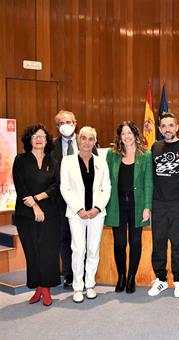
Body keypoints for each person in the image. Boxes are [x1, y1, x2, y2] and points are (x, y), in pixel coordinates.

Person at [60, 127, 111, 303]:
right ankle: (77, 286)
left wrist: (97, 208)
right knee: (78, 249)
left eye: (91, 139)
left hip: (97, 213)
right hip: (77, 214)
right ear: (78, 140)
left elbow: (107, 187)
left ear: (95, 142)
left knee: (93, 249)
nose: (87, 142)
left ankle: (90, 285)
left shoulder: (101, 162)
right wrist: (78, 209)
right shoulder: (67, 162)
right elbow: (64, 188)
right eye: (83, 138)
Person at [147, 113, 179, 297]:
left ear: (177, 127)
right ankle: (160, 280)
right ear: (159, 129)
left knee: (177, 243)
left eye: (170, 125)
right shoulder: (155, 147)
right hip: (159, 203)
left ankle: (178, 281)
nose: (167, 129)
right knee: (158, 242)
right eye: (164, 126)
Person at [13, 124, 60, 306]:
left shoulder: (53, 162)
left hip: (50, 213)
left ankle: (46, 289)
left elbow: (56, 186)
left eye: (42, 136)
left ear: (47, 140)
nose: (39, 139)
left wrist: (39, 198)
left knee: (48, 251)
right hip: (26, 213)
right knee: (32, 251)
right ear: (29, 140)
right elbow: (20, 186)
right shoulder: (20, 160)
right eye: (35, 136)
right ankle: (37, 287)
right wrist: (34, 205)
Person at [51, 110, 97, 289]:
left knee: (85, 239)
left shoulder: (86, 139)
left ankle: (86, 275)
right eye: (61, 122)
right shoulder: (51, 146)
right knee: (65, 237)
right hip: (61, 199)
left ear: (75, 123)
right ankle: (69, 274)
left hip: (86, 201)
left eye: (69, 121)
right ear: (57, 127)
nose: (66, 125)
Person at [105, 122, 153, 294]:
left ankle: (131, 277)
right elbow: (106, 180)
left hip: (137, 205)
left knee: (135, 242)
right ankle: (121, 276)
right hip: (117, 205)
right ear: (119, 137)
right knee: (119, 243)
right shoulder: (112, 155)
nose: (126, 136)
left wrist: (147, 206)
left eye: (129, 133)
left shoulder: (145, 155)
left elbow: (148, 182)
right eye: (123, 133)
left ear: (135, 134)